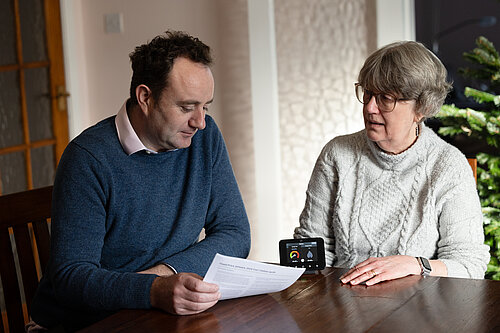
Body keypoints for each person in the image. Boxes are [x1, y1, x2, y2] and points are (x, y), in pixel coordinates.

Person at [30, 30, 251, 331]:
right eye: (187, 107)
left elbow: (235, 233)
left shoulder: (204, 137)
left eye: (205, 106)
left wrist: (165, 276)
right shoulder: (88, 158)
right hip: (84, 324)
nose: (200, 121)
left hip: (158, 316)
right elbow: (71, 277)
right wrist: (153, 290)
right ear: (145, 97)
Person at [294, 41, 490, 286]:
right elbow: (313, 245)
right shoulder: (337, 154)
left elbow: (470, 265)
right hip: (343, 305)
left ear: (422, 107)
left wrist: (416, 265)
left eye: (386, 98)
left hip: (417, 310)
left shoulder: (448, 166)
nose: (370, 107)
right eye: (367, 93)